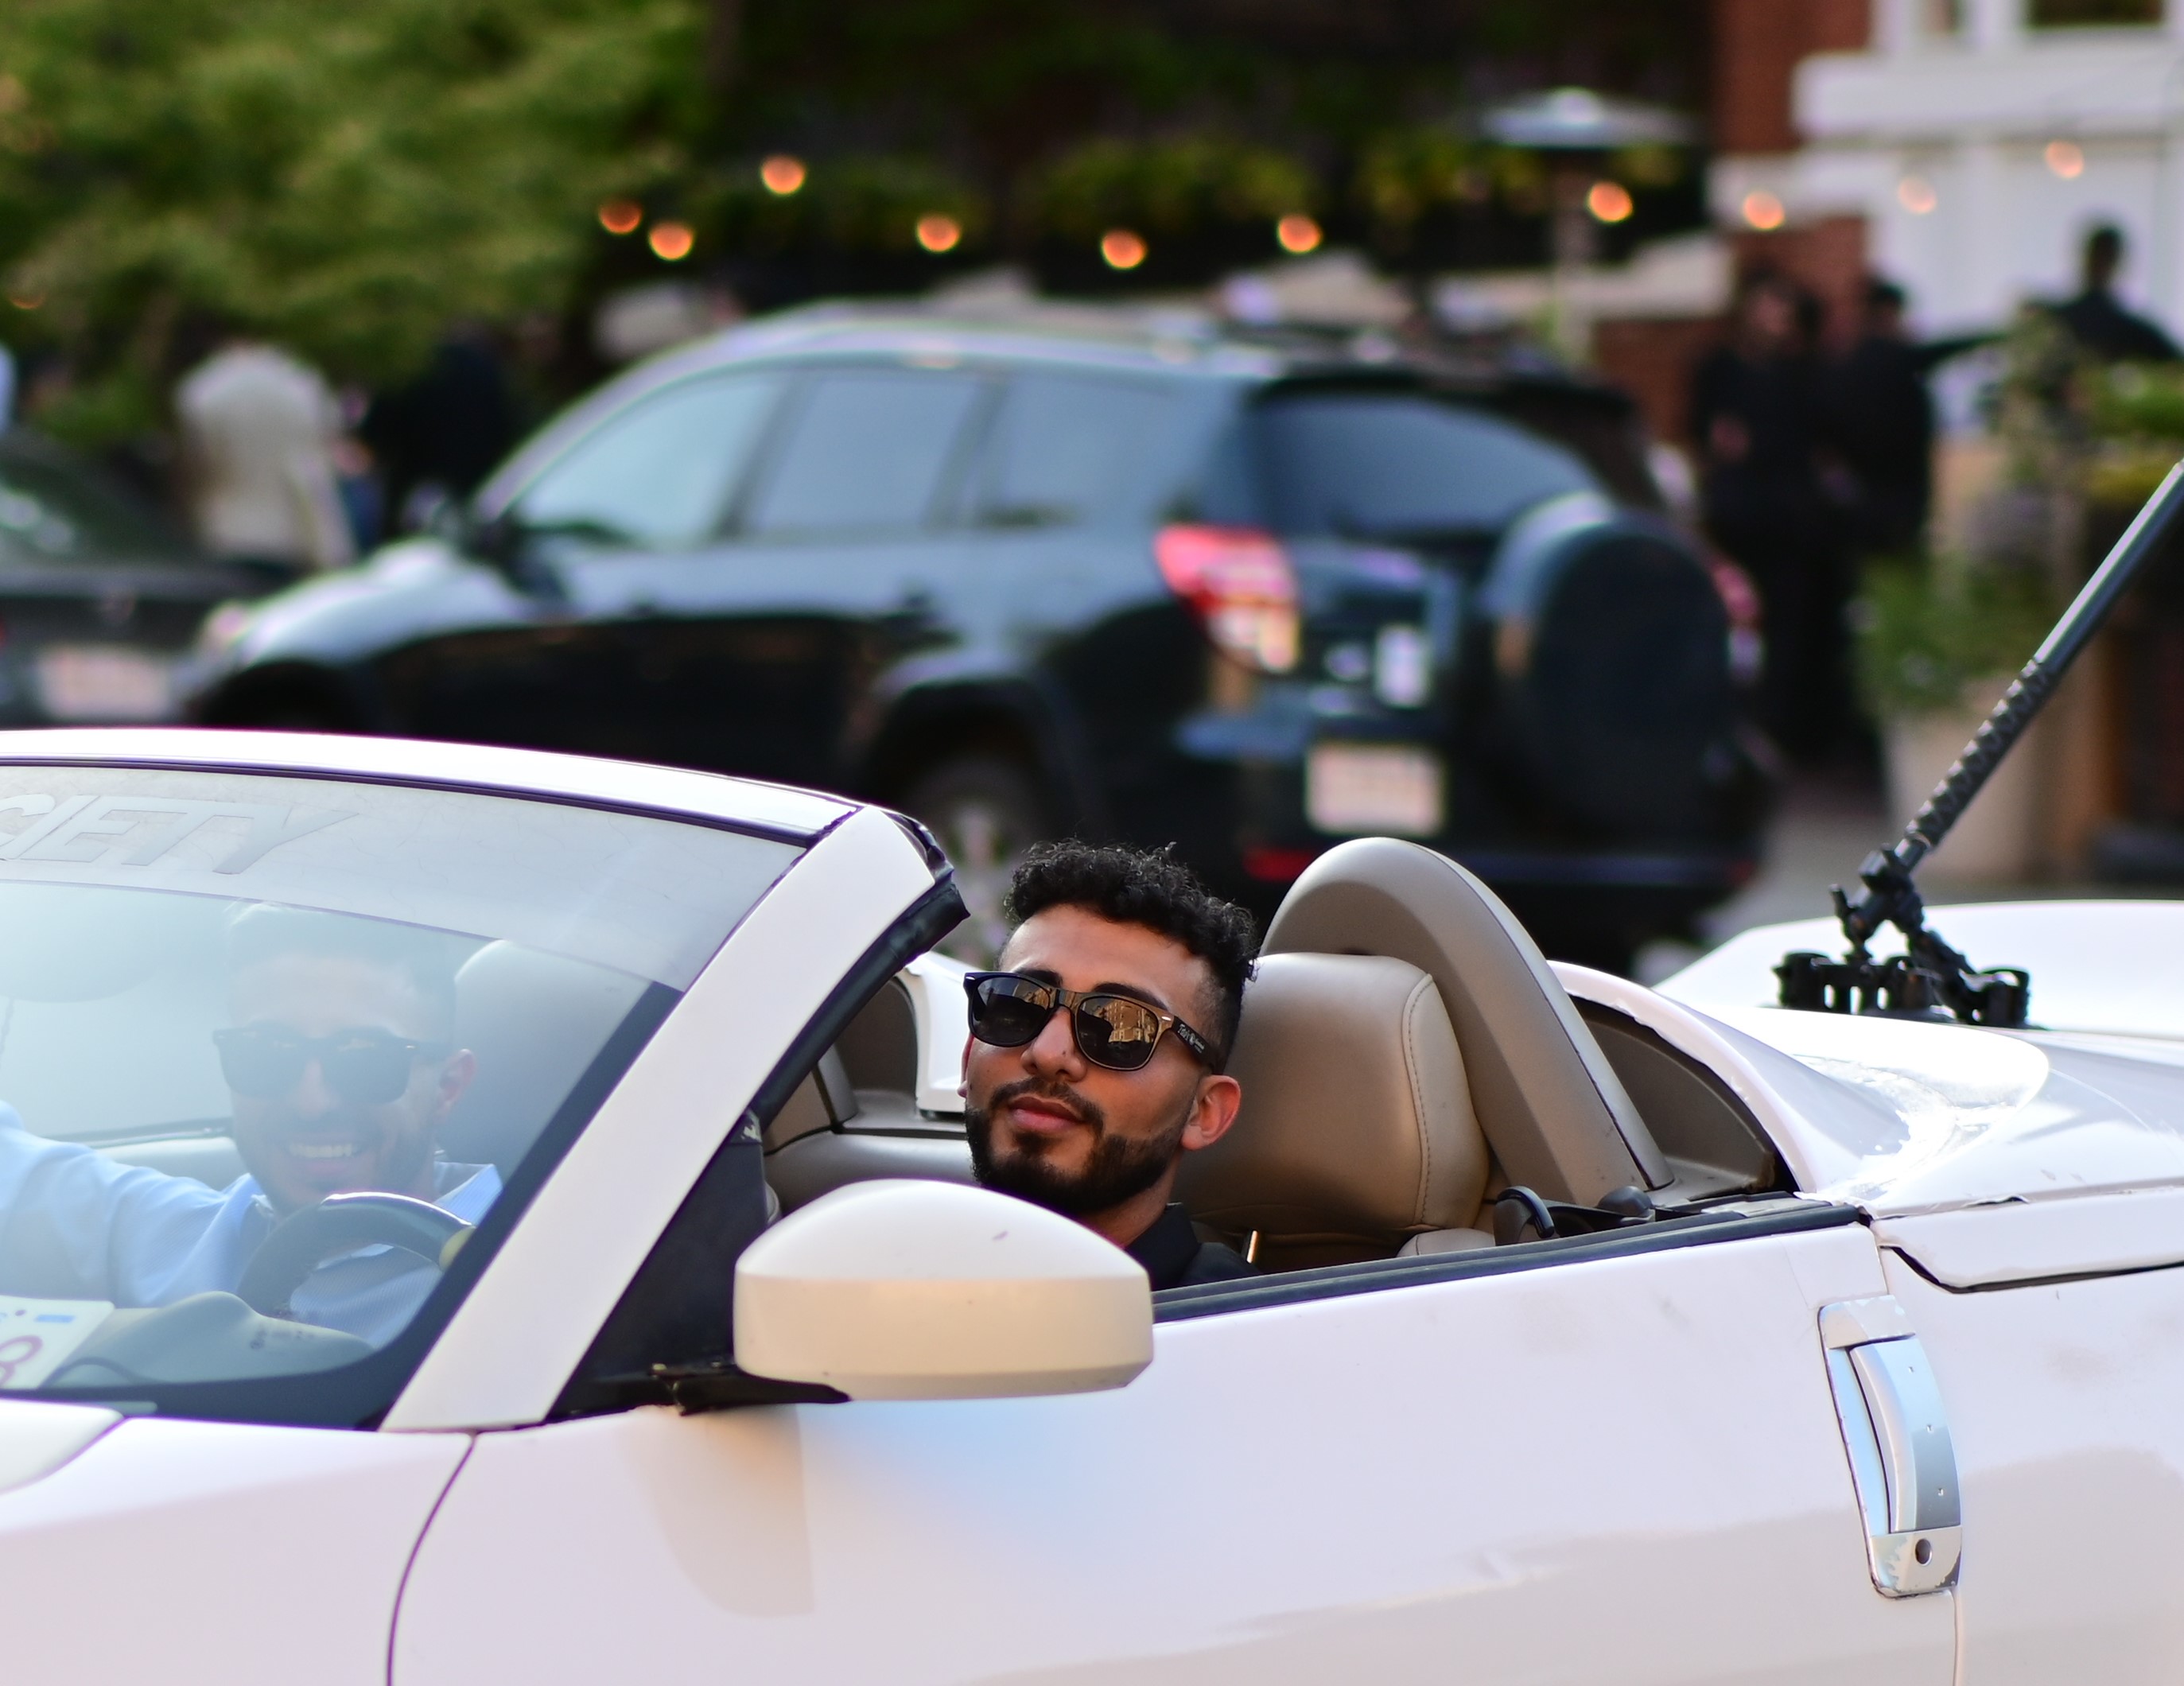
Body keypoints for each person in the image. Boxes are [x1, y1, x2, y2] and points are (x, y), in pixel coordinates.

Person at [0, 907, 484, 1344]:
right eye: (265, 1052)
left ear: (447, 1087)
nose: (311, 1102)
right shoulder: (173, 1237)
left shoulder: (515, 1273)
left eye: (365, 1059)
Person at [958, 841, 1261, 1292]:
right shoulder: (881, 1272)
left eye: (1119, 1027)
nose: (1048, 1053)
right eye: (1018, 1006)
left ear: (1204, 1112)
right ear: (967, 1056)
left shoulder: (1240, 1325)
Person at [1690, 270, 1850, 761]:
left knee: (1787, 627)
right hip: (1740, 514)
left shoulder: (1803, 372)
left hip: (1787, 520)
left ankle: (1776, 727)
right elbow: (1703, 432)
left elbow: (1817, 438)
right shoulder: (1721, 368)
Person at [1828, 277, 1993, 556]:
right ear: (1888, 312)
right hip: (1901, 479)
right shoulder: (1896, 358)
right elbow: (1942, 350)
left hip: (1866, 483)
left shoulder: (1848, 363)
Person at [175, 333, 357, 573]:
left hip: (229, 532)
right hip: (294, 531)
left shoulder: (202, 389)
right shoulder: (302, 384)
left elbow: (200, 466)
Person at [2055, 225, 2181, 363]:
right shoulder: (2131, 332)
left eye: (2105, 258)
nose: (2100, 264)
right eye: (2099, 257)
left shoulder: (2131, 332)